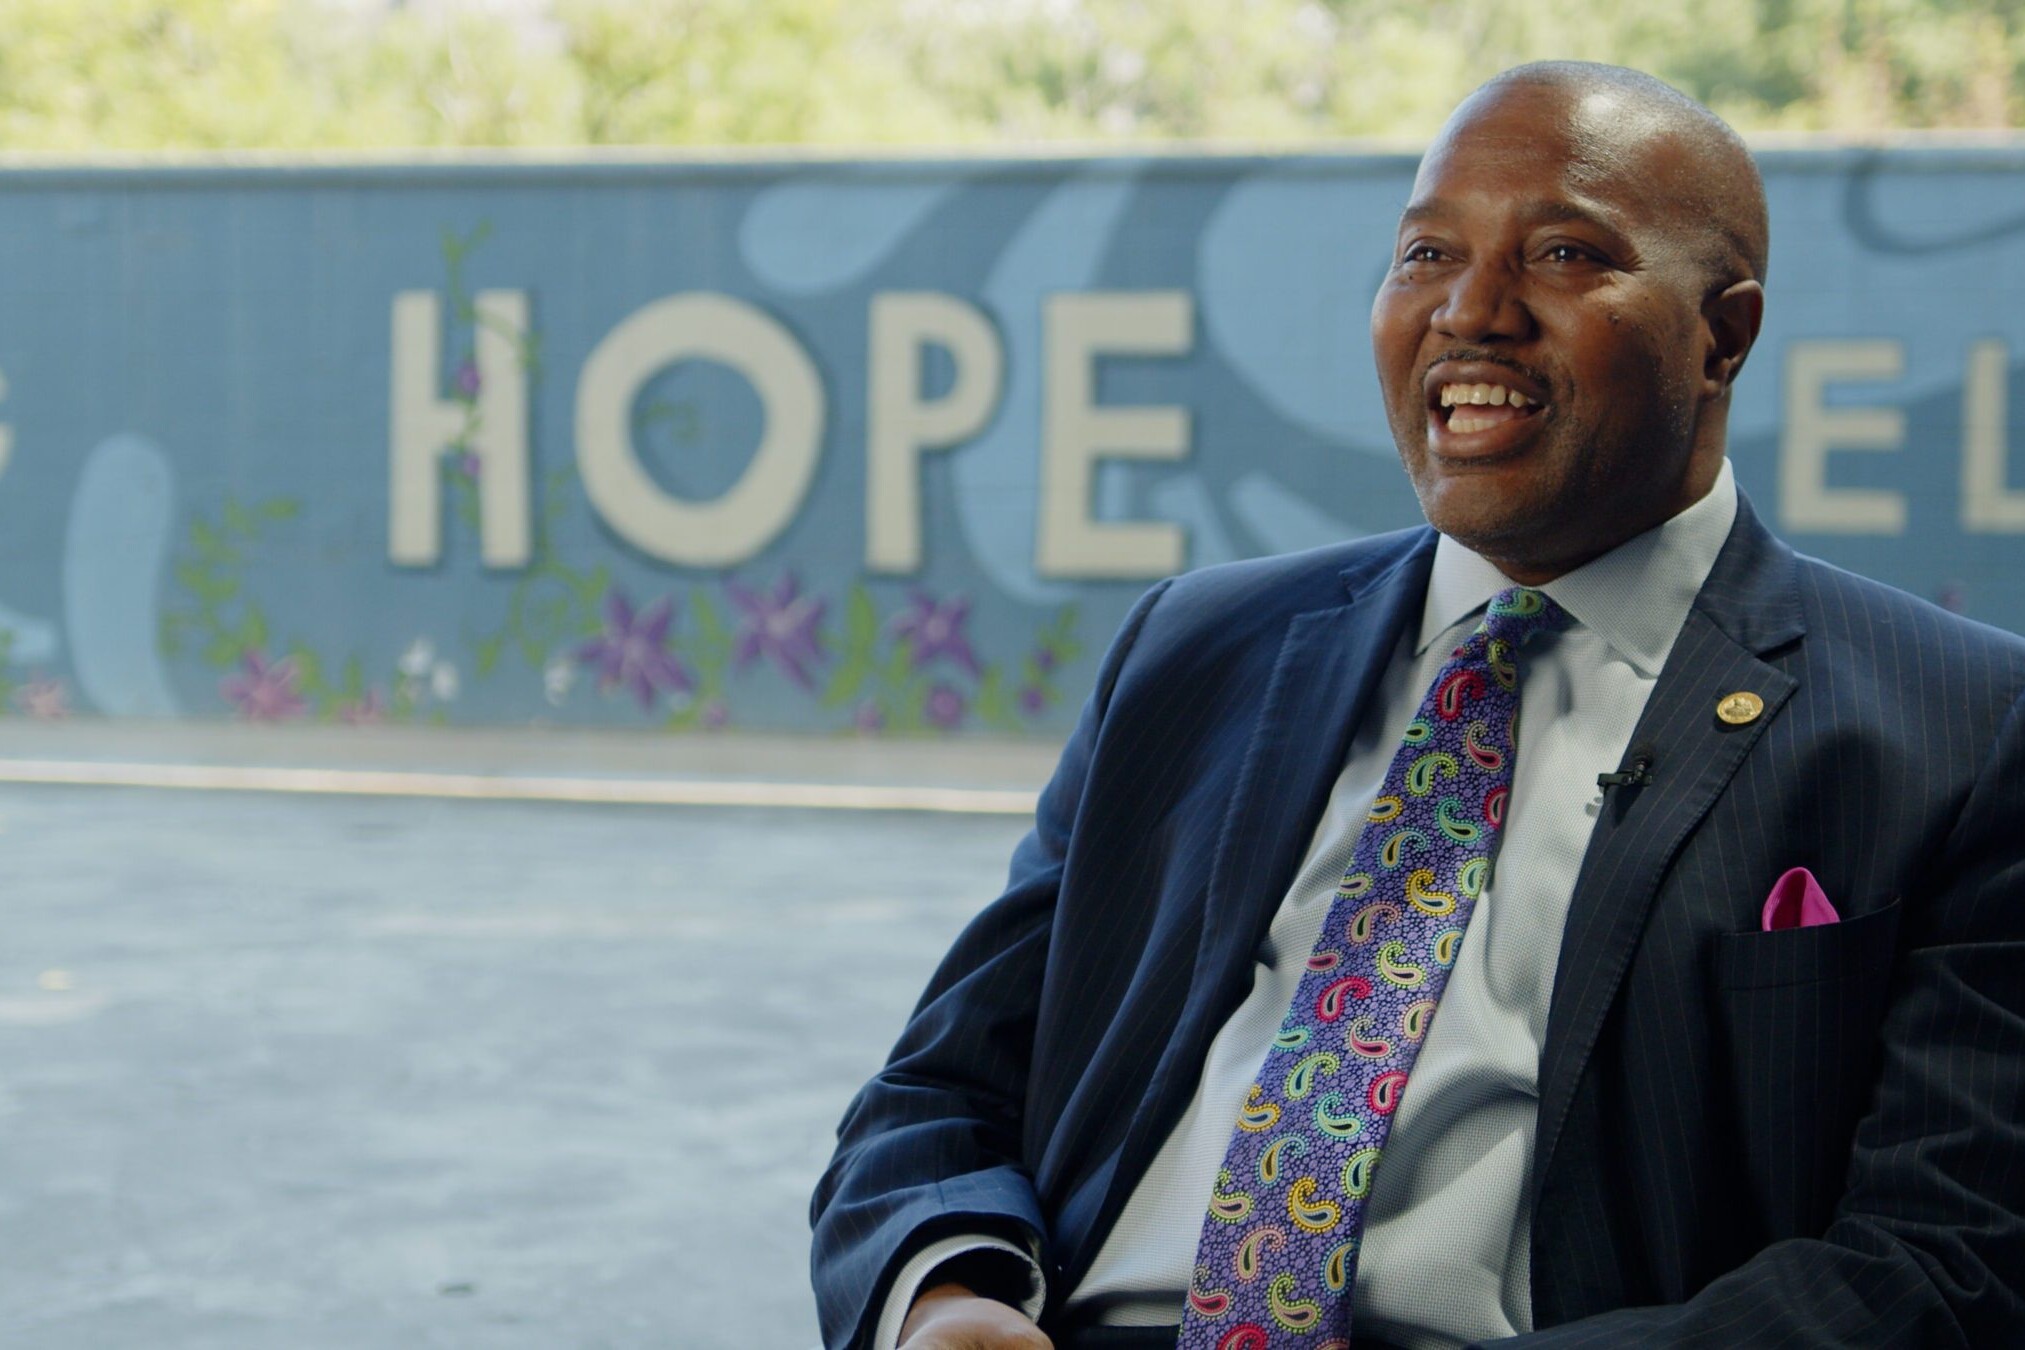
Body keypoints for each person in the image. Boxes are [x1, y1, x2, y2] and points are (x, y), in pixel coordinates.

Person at [810, 61, 2025, 1350]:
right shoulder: (1193, 650)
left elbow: (1942, 1266)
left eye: (1562, 252)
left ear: (1723, 332)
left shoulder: (1960, 726)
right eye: (1425, 252)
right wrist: (943, 1300)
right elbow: (941, 1090)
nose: (1471, 311)